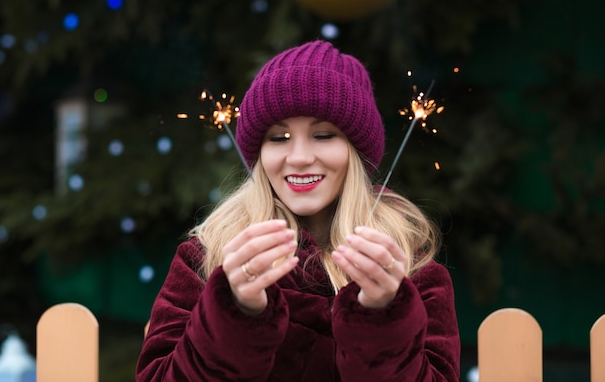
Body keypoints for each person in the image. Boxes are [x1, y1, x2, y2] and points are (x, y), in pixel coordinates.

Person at [136, 40, 460, 382]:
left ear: (356, 151)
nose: (300, 157)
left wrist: (383, 316)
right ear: (258, 154)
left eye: (323, 135)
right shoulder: (207, 259)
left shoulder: (411, 270)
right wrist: (234, 311)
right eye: (279, 138)